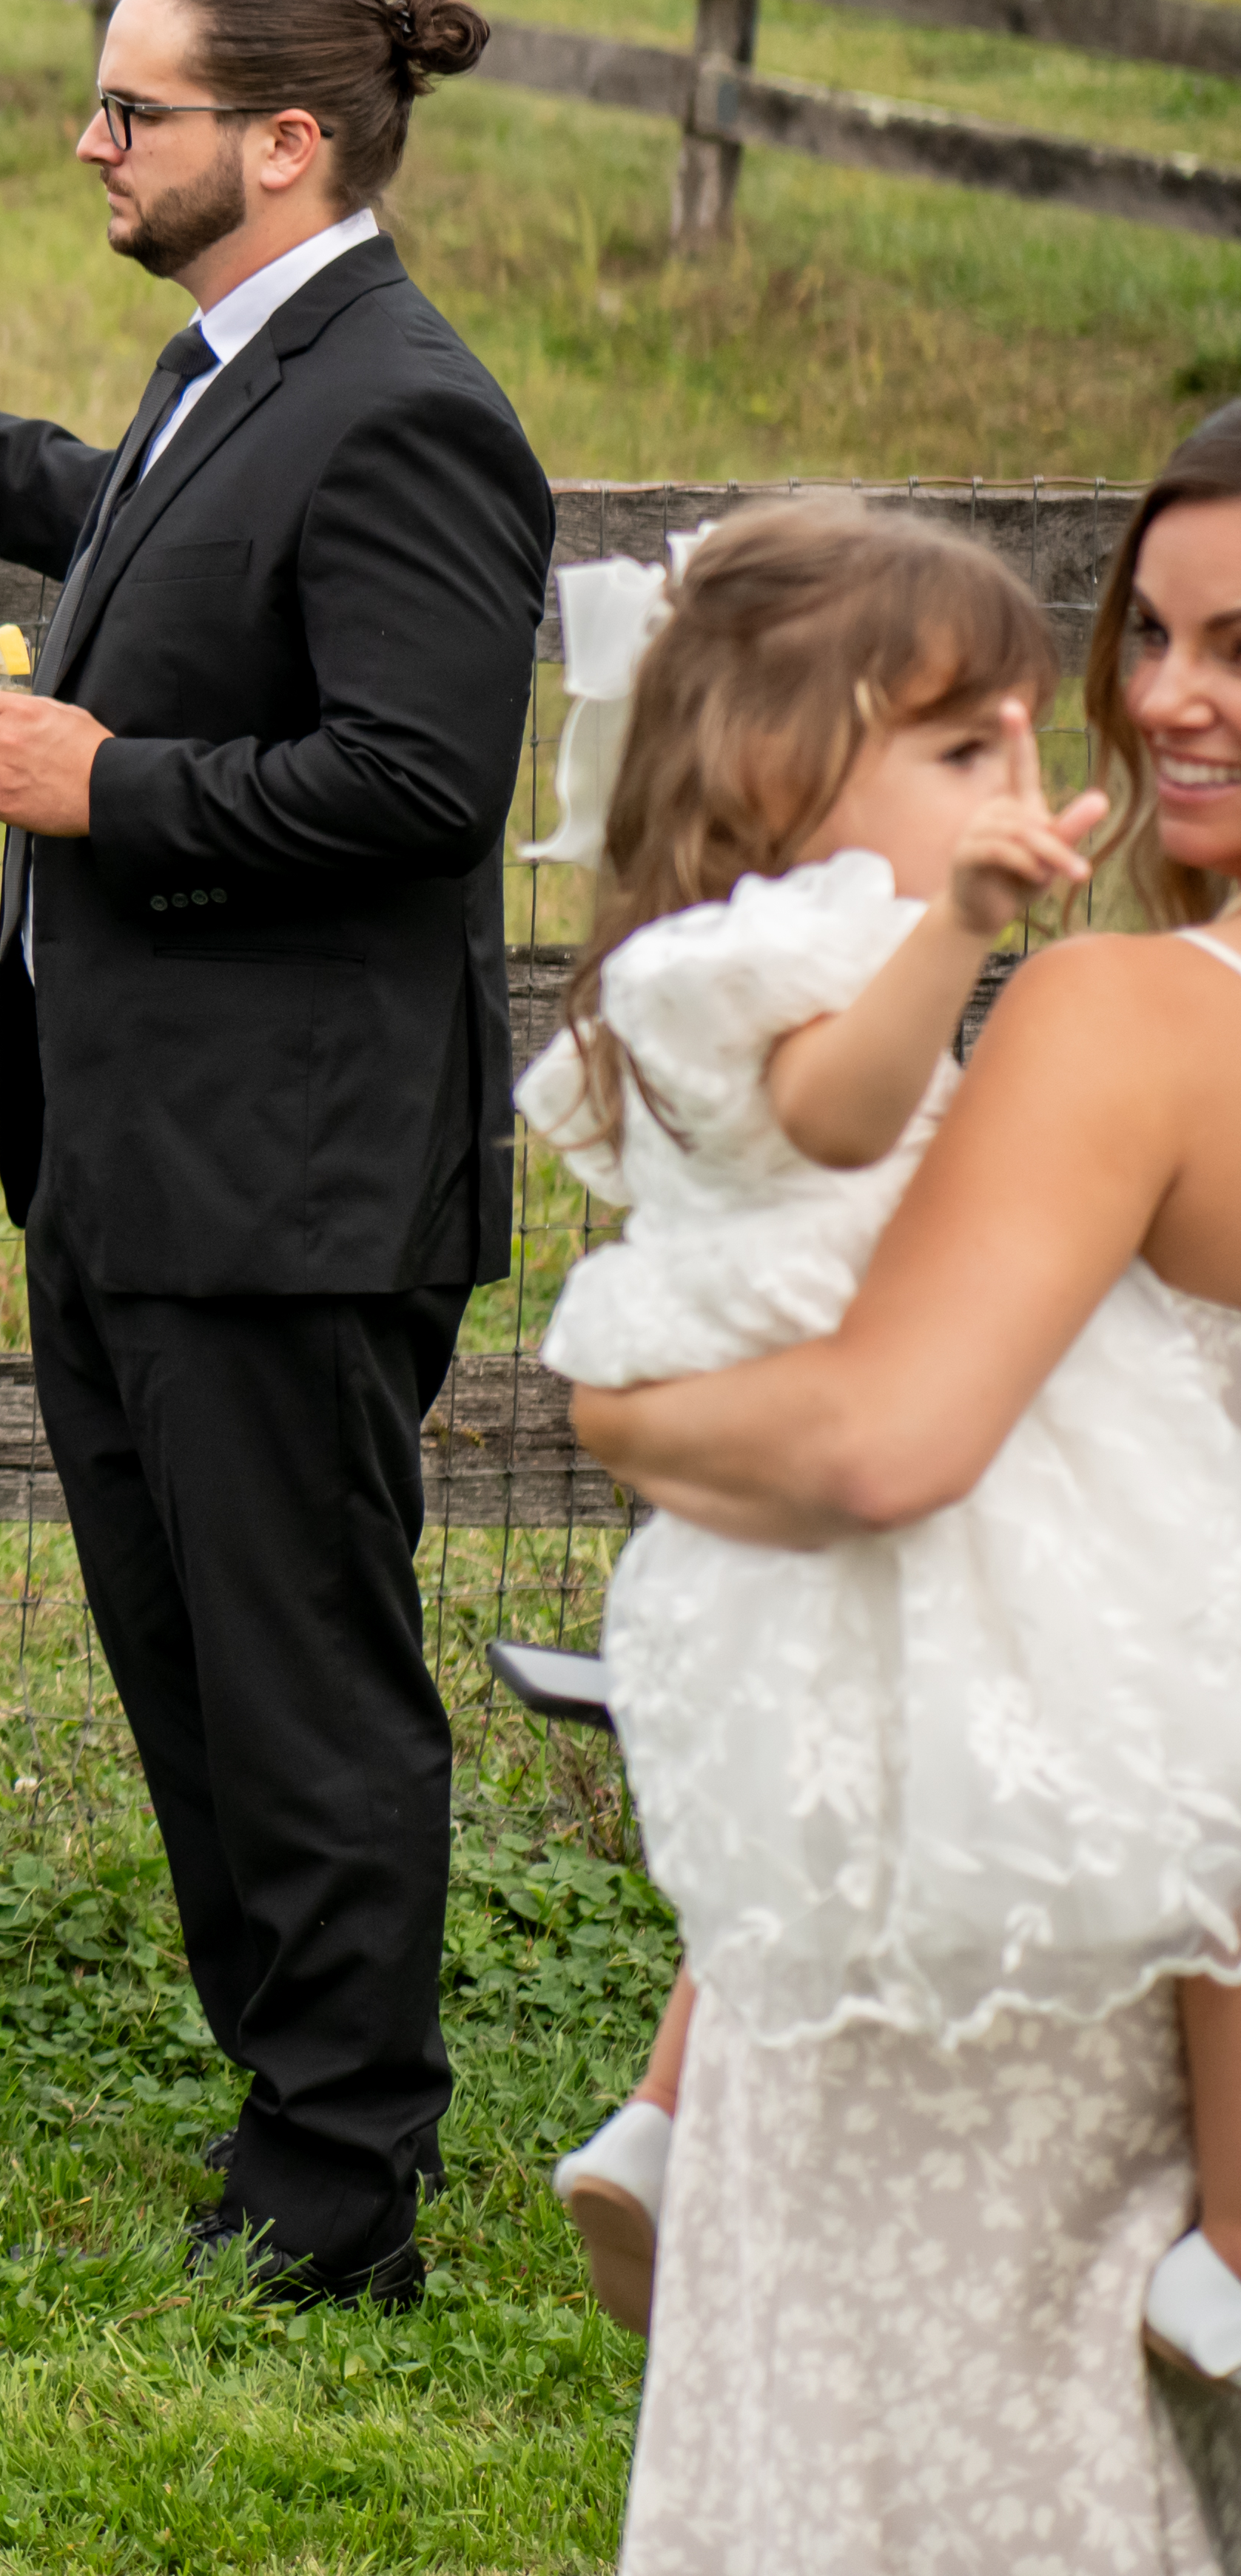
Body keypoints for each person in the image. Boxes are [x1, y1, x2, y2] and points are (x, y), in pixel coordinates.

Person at [0, 0, 551, 2307]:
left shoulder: (409, 403)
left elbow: (424, 777)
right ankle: (289, 2118)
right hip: (140, 1167)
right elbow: (146, 523)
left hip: (284, 1190)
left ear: (281, 145)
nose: (91, 143)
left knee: (299, 1686)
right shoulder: (253, 374)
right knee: (192, 1668)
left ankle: (345, 2189)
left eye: (134, 113)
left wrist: (112, 784)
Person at [576, 411, 1241, 2570]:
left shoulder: (1126, 1020)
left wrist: (631, 1423)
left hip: (1036, 1873)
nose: (1158, 701)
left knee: (916, 2464)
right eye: (1150, 631)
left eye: (1235, 643)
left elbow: (883, 1440)